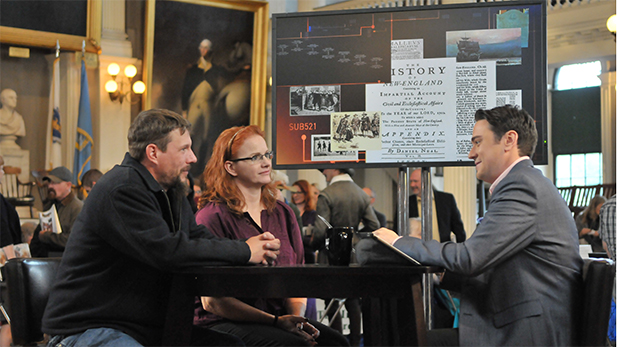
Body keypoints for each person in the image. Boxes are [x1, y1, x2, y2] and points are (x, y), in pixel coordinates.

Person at [42, 109, 281, 347]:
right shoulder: (121, 189)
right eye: (184, 149)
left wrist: (247, 249)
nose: (193, 158)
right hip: (90, 327)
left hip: (145, 329)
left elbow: (198, 237)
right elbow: (167, 251)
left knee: (232, 346)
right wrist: (245, 252)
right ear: (153, 153)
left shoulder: (170, 191)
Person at [358, 105, 583, 346]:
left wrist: (398, 243)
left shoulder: (522, 187)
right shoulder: (526, 182)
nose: (470, 153)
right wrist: (442, 274)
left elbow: (470, 257)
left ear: (509, 140)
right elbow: (492, 265)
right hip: (520, 320)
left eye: (477, 142)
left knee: (404, 341)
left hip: (526, 332)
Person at [193, 125, 348, 347]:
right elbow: (213, 302)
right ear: (231, 167)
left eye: (267, 154)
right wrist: (276, 322)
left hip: (278, 319)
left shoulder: (283, 213)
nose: (266, 162)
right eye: (255, 157)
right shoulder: (211, 217)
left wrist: (296, 320)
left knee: (336, 342)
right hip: (224, 322)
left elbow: (296, 279)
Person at [312, 168, 380, 346]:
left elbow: (320, 231)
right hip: (353, 255)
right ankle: (356, 342)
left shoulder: (327, 194)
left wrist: (312, 245)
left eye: (325, 170)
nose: (323, 173)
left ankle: (338, 342)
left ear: (334, 169)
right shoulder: (361, 193)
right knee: (353, 300)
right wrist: (354, 238)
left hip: (330, 257)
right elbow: (374, 224)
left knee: (331, 300)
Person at [29, 166, 83, 257]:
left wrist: (46, 236)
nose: (50, 186)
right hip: (46, 259)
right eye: (49, 182)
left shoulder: (77, 208)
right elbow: (38, 235)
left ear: (68, 185)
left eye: (54, 183)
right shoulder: (50, 205)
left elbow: (72, 240)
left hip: (64, 260)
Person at [408, 168, 466, 243]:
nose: (412, 185)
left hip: (442, 251)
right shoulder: (407, 203)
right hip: (416, 252)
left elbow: (458, 229)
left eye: (415, 181)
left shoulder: (446, 200)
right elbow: (398, 230)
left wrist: (459, 252)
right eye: (411, 181)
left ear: (426, 181)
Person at [0, 155, 21, 347]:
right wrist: (16, 268)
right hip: (3, 270)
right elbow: (4, 236)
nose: (1, 173)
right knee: (7, 323)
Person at [291, 179, 318, 263]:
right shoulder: (289, 213)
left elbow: (315, 238)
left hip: (308, 255)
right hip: (293, 255)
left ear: (306, 193)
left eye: (299, 192)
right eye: (293, 192)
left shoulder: (313, 214)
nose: (295, 195)